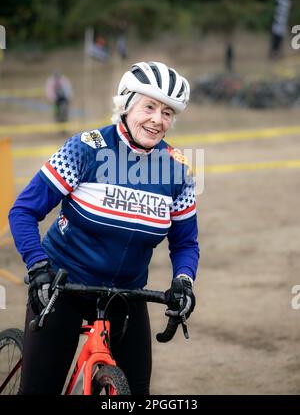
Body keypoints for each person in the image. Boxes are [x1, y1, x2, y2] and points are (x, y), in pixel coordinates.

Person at [9, 61, 200, 395]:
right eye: (149, 106)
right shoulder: (85, 148)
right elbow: (24, 211)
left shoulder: (177, 170)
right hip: (61, 287)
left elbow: (184, 243)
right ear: (126, 105)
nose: (157, 119)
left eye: (168, 112)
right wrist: (37, 266)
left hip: (127, 294)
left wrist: (184, 279)